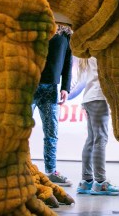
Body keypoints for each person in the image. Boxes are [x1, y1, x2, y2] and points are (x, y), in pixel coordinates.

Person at [31, 23, 73, 186]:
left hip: (51, 89)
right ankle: (19, 169)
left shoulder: (66, 34)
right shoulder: (38, 26)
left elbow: (68, 63)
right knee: (22, 130)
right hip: (30, 84)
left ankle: (51, 171)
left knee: (51, 132)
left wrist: (65, 88)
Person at [75, 57, 119, 196]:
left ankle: (86, 181)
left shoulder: (89, 51)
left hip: (90, 98)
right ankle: (101, 182)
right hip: (99, 97)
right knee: (100, 140)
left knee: (92, 139)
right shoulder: (99, 50)